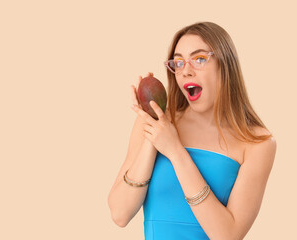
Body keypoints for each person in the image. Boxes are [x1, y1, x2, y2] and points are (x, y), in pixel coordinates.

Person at [107, 21, 277, 240]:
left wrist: (176, 151)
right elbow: (120, 214)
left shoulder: (258, 142)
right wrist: (155, 129)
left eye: (199, 59)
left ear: (225, 64)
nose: (186, 71)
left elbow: (228, 235)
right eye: (178, 63)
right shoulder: (154, 123)